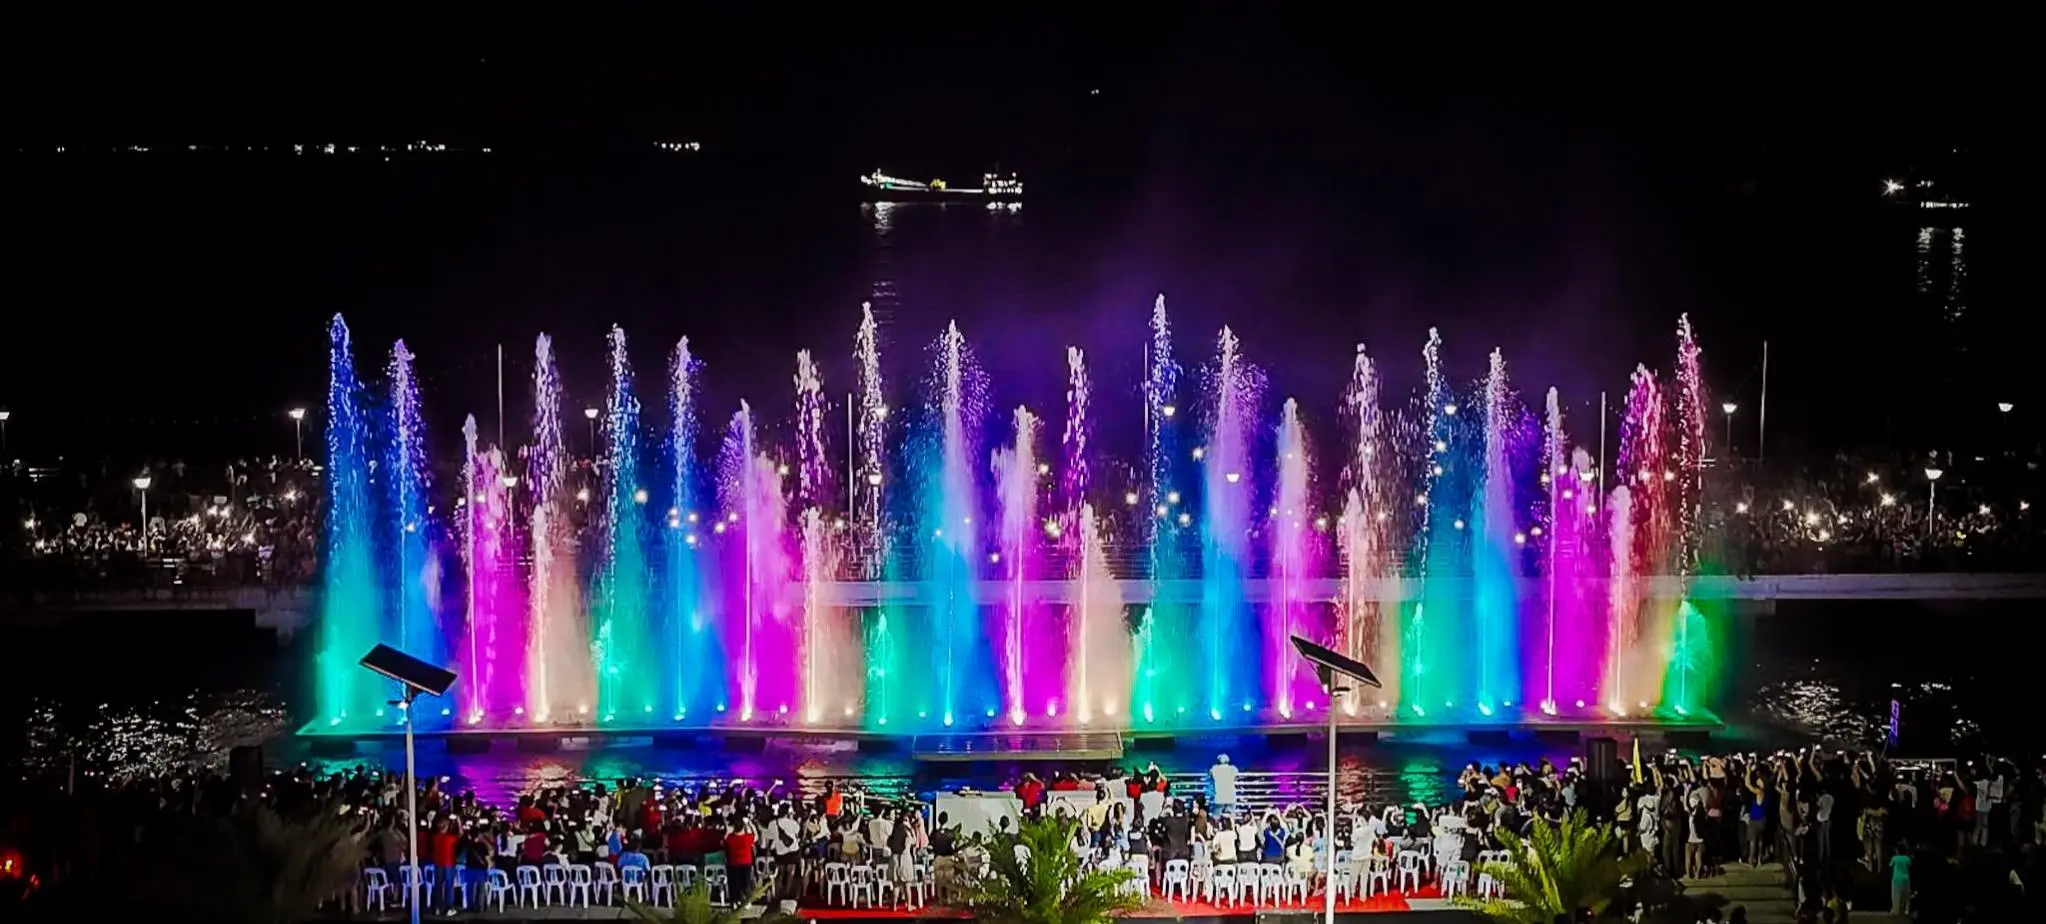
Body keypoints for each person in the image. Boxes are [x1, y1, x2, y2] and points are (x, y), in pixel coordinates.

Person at [1887, 845, 1911, 916]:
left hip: (1896, 879)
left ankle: (1895, 910)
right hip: (1906, 878)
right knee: (1907, 895)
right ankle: (1906, 910)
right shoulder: (1907, 858)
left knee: (1895, 895)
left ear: (1897, 851)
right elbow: (1910, 866)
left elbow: (1890, 865)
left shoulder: (1894, 858)